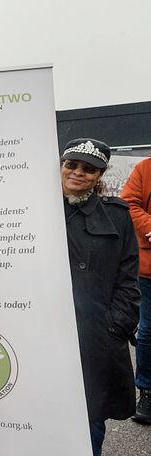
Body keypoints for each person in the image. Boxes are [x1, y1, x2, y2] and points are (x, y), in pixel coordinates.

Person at [60, 138, 140, 455]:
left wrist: (115, 326)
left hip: (95, 339)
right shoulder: (34, 212)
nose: (78, 173)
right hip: (45, 334)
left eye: (89, 168)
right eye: (72, 164)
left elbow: (128, 279)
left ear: (100, 174)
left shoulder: (117, 216)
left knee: (90, 419)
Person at [121, 155, 151, 424]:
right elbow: (128, 203)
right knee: (149, 331)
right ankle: (147, 390)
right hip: (148, 270)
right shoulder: (145, 168)